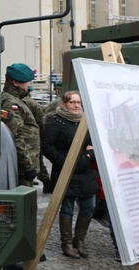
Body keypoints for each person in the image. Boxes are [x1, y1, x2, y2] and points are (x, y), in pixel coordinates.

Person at [41, 91, 98, 259]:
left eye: (78, 102)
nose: (76, 105)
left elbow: (95, 144)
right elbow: (46, 146)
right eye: (72, 102)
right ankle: (66, 244)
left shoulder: (86, 121)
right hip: (66, 172)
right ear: (64, 104)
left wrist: (89, 155)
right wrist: (65, 161)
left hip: (85, 171)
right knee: (67, 209)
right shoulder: (56, 122)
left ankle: (79, 241)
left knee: (89, 207)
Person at [1, 64, 40, 187]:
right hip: (21, 168)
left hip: (24, 164)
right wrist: (28, 167)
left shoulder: (17, 100)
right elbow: (16, 137)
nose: (29, 85)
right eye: (27, 82)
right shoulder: (10, 103)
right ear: (15, 83)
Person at [23, 88, 51, 193]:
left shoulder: (31, 103)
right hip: (32, 140)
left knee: (36, 163)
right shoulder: (32, 103)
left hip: (31, 140)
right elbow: (42, 122)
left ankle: (45, 181)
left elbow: (41, 121)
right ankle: (45, 181)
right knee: (37, 162)